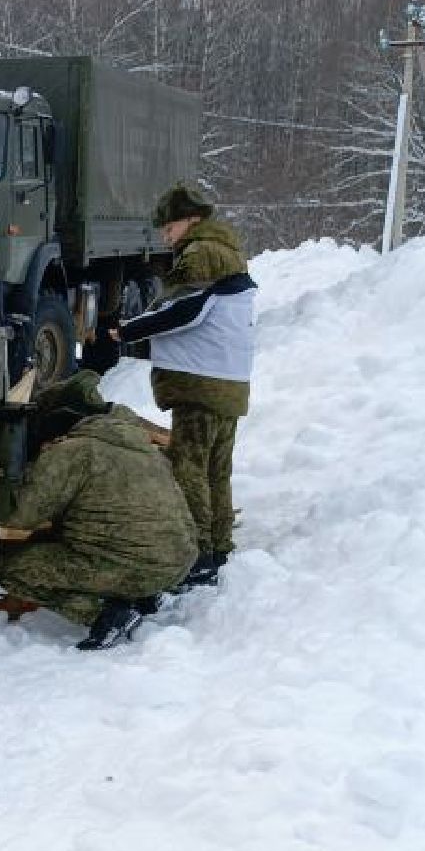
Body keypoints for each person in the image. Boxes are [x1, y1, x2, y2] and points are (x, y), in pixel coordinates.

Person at [0, 371, 198, 650]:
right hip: (177, 561)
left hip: (138, 565)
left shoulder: (73, 451)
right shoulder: (135, 443)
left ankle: (103, 614)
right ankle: (139, 594)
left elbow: (21, 516)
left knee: (7, 566)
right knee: (54, 543)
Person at [116, 182, 255, 587]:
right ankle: (219, 546)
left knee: (190, 467)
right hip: (227, 380)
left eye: (169, 226)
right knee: (217, 470)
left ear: (192, 219)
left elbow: (183, 310)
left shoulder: (199, 254)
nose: (165, 235)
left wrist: (128, 331)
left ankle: (198, 553)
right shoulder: (228, 253)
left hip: (200, 382)